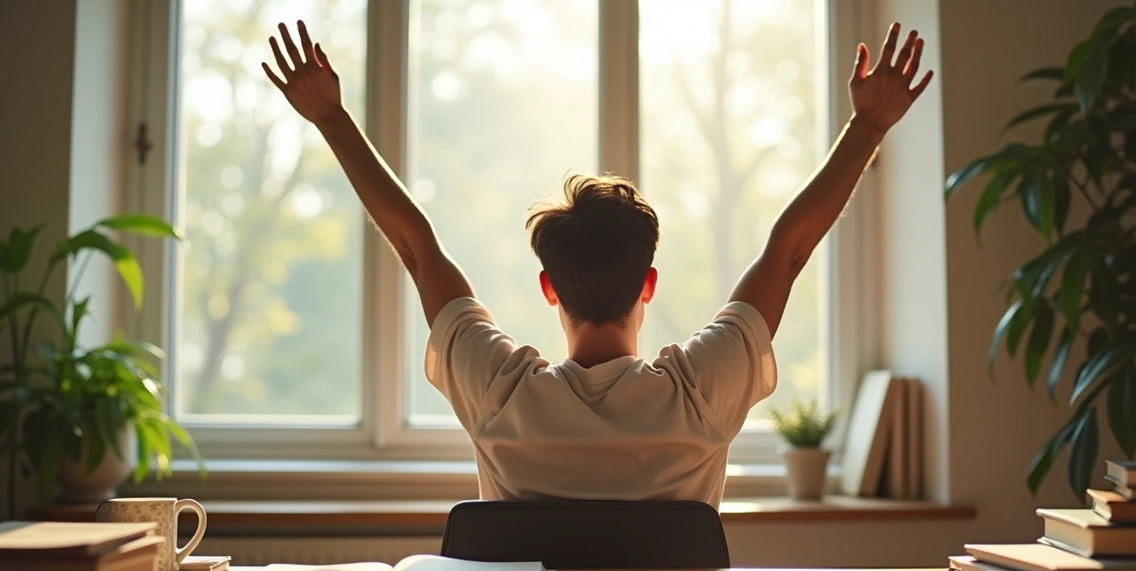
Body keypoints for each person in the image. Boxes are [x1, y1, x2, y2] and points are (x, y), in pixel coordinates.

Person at [263, 20, 931, 509]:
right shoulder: (699, 395)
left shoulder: (500, 394)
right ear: (649, 284)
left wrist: (331, 118)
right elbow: (788, 250)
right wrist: (868, 128)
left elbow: (415, 244)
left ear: (548, 288)